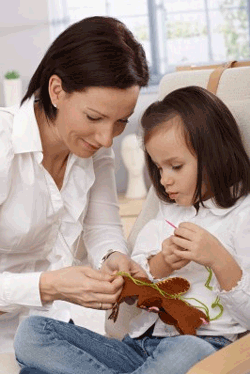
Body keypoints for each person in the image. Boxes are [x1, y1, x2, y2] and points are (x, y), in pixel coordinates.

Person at [14, 85, 250, 374]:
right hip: (137, 347)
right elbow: (136, 296)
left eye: (175, 166)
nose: (164, 181)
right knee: (32, 333)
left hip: (206, 348)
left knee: (189, 350)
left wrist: (218, 258)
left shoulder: (243, 216)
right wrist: (158, 265)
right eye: (159, 168)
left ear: (218, 154)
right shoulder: (164, 216)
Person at [0, 15, 149, 356]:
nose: (106, 138)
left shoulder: (93, 150)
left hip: (62, 326)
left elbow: (102, 228)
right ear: (57, 90)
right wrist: (47, 286)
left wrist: (113, 257)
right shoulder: (4, 145)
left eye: (121, 122)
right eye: (94, 118)